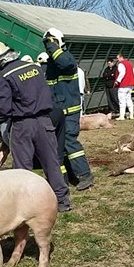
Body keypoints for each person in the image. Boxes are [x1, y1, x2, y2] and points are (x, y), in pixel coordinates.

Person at [0, 41, 72, 212]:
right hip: (45, 121)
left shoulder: (4, 76)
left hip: (23, 125)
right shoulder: (34, 68)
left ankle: (27, 206)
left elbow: (3, 107)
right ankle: (62, 201)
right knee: (51, 163)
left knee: (22, 169)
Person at [42, 28, 94, 190]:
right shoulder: (51, 62)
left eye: (50, 43)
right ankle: (66, 176)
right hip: (58, 111)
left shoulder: (65, 58)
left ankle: (85, 174)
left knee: (70, 142)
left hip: (69, 110)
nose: (47, 47)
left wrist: (53, 48)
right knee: (59, 145)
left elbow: (66, 64)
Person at [37, 51, 67, 181]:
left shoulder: (36, 74)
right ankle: (63, 180)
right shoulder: (54, 70)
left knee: (46, 149)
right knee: (59, 150)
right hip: (57, 110)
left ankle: (51, 180)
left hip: (45, 114)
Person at [114, 53, 134, 120]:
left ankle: (121, 116)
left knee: (122, 100)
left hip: (123, 84)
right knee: (129, 99)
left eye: (117, 58)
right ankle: (131, 115)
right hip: (130, 85)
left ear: (121, 57)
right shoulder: (129, 63)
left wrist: (118, 80)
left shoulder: (121, 64)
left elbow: (122, 72)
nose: (117, 60)